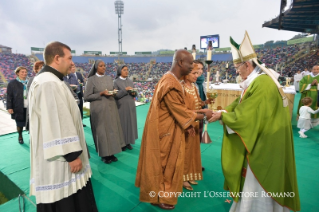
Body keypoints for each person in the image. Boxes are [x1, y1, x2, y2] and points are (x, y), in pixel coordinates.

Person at [208, 31, 300, 212]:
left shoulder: (262, 83)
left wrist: (223, 116)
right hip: (268, 137)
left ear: (248, 65)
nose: (236, 71)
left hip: (265, 143)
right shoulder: (258, 81)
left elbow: (247, 116)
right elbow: (242, 105)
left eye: (238, 67)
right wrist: (221, 111)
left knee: (257, 181)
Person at [135, 50, 212, 210]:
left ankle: (159, 195)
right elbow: (181, 111)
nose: (192, 67)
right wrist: (202, 114)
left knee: (165, 165)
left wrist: (199, 112)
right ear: (180, 63)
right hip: (166, 133)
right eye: (190, 64)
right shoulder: (172, 84)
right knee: (164, 165)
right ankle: (159, 197)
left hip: (166, 129)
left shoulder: (169, 79)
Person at [28, 41, 98, 212]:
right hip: (61, 159)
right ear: (57, 58)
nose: (72, 62)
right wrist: (72, 155)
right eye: (70, 58)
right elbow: (56, 120)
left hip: (60, 155)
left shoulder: (50, 80)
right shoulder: (48, 83)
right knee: (66, 201)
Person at [84, 59, 125, 164]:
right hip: (99, 110)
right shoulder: (91, 80)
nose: (104, 67)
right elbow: (87, 97)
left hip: (111, 108)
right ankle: (104, 155)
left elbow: (112, 91)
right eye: (101, 66)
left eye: (104, 65)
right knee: (102, 132)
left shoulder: (108, 78)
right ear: (96, 67)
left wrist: (114, 93)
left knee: (112, 131)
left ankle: (112, 153)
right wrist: (101, 93)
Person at [181, 63, 203, 191]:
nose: (197, 75)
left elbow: (198, 103)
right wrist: (187, 124)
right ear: (186, 73)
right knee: (185, 150)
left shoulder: (194, 87)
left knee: (192, 150)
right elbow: (181, 109)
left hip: (195, 123)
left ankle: (189, 174)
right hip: (186, 125)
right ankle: (183, 177)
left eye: (197, 73)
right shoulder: (182, 87)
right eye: (194, 73)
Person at [114, 65, 138, 151]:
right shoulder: (116, 82)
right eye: (124, 70)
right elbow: (115, 95)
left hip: (130, 105)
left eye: (127, 70)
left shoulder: (130, 81)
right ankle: (122, 143)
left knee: (130, 124)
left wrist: (134, 93)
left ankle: (128, 142)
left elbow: (135, 93)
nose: (126, 71)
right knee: (122, 124)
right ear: (120, 71)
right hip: (122, 106)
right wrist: (125, 90)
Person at [7, 66, 28, 144]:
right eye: (22, 72)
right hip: (18, 106)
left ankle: (31, 137)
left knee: (30, 123)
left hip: (29, 106)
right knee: (19, 123)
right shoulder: (12, 83)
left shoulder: (29, 82)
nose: (24, 73)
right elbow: (9, 96)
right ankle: (20, 136)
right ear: (18, 73)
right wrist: (9, 107)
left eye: (25, 72)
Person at [26, 61, 44, 130]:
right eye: (40, 67)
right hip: (36, 108)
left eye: (44, 67)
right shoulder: (32, 80)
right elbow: (29, 95)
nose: (42, 69)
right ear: (36, 70)